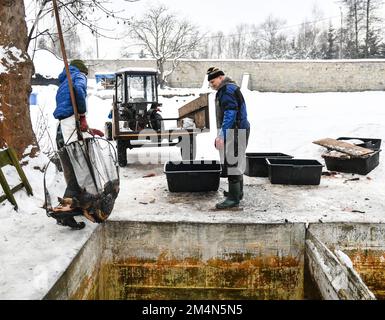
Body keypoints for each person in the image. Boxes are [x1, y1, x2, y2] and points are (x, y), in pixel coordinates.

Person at [52, 59, 103, 229]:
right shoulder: (78, 77)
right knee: (80, 169)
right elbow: (79, 93)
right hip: (70, 125)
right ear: (82, 71)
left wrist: (87, 128)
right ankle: (66, 213)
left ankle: (72, 208)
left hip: (61, 128)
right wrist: (82, 115)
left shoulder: (65, 81)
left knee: (72, 169)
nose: (85, 77)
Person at [207, 67, 250, 209]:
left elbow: (230, 113)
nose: (211, 85)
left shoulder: (226, 91)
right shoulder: (229, 88)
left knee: (233, 162)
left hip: (235, 130)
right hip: (239, 128)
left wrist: (222, 135)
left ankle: (233, 198)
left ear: (221, 78)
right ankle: (238, 193)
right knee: (237, 160)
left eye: (213, 81)